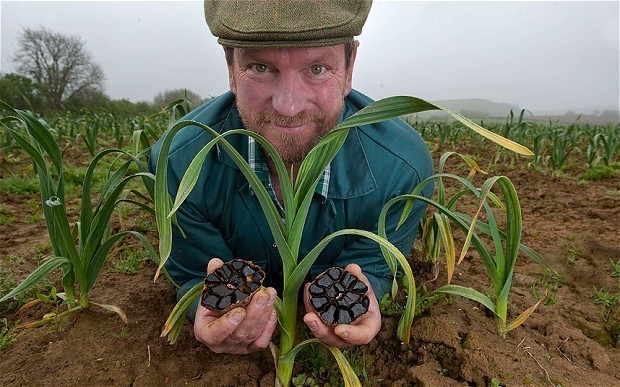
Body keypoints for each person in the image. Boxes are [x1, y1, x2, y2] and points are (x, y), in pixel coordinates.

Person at [150, 0, 434, 354]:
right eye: (260, 67)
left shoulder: (401, 168)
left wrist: (366, 294)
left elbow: (373, 265)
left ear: (349, 69)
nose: (289, 106)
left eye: (317, 68)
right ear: (230, 69)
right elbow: (195, 274)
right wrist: (203, 309)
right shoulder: (179, 164)